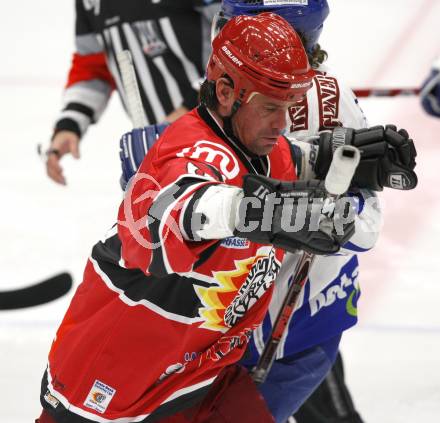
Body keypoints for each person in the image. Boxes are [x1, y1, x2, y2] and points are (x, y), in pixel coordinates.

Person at [36, 13, 347, 423]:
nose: (283, 122)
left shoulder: (262, 147)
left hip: (197, 377)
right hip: (113, 382)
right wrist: (253, 212)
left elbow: (297, 158)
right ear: (225, 92)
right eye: (272, 107)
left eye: (287, 106)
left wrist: (356, 154)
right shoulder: (188, 151)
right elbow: (174, 214)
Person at [121, 2, 418, 422]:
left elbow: (367, 224)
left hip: (297, 325)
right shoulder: (222, 82)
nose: (222, 33)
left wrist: (335, 215)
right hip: (221, 321)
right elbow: (175, 194)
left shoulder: (328, 103)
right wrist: (153, 167)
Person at [45, 0, 221, 185]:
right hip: (158, 152)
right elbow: (93, 68)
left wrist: (192, 105)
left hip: (220, 138)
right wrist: (70, 124)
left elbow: (237, 41)